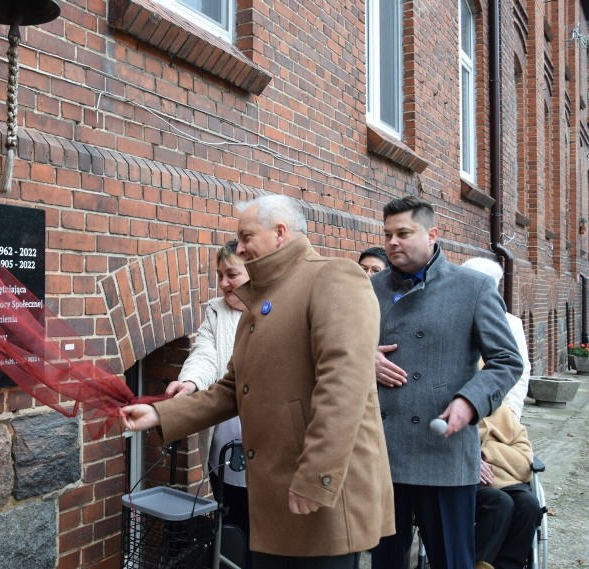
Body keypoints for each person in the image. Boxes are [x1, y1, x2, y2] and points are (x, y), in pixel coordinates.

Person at [122, 194, 394, 568]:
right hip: (273, 494)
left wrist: (317, 478)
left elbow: (344, 387)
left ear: (280, 232)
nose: (240, 247)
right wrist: (160, 415)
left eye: (247, 236)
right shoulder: (261, 299)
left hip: (316, 491)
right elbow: (233, 388)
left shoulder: (333, 276)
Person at [369, 196, 523, 569]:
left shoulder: (472, 288)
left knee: (453, 561)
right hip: (382, 451)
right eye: (388, 234)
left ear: (432, 234)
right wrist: (361, 357)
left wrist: (469, 402)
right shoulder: (370, 288)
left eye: (403, 233)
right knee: (384, 562)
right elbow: (336, 347)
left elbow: (507, 361)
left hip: (444, 453)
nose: (392, 242)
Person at [164, 239, 251, 550]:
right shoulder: (216, 312)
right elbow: (205, 355)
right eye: (220, 276)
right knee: (233, 519)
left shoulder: (278, 311)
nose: (224, 283)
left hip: (268, 443)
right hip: (225, 440)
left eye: (232, 275)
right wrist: (189, 383)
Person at [461, 257, 532, 418]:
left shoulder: (510, 323)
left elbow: (520, 367)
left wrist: (513, 408)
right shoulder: (448, 316)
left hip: (495, 408)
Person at [475, 404, 541, 569]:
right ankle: (474, 563)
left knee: (530, 505)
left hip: (510, 482)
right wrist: (471, 459)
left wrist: (489, 452)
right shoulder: (451, 409)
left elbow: (526, 463)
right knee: (500, 502)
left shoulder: (503, 412)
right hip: (468, 484)